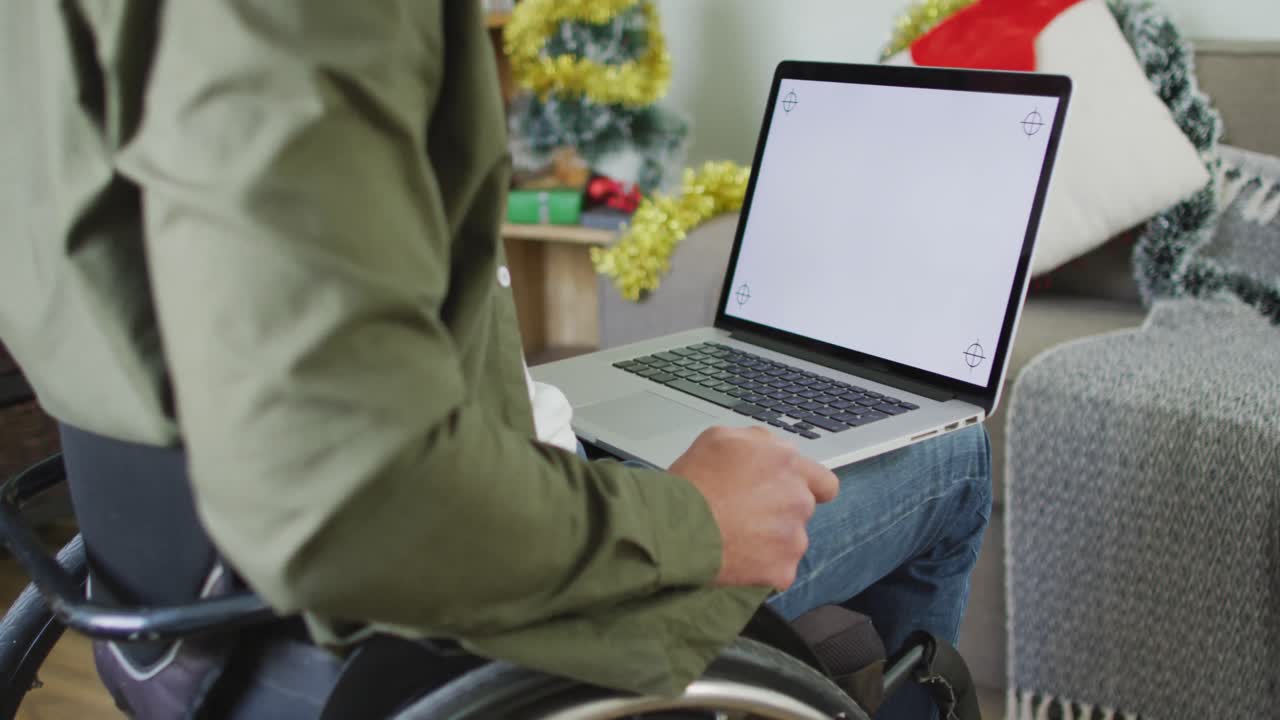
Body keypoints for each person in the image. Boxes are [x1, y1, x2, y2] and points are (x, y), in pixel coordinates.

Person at [0, 2, 990, 717]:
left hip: (182, 591)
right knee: (954, 457)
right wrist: (694, 523)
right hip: (429, 608)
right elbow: (348, 493)